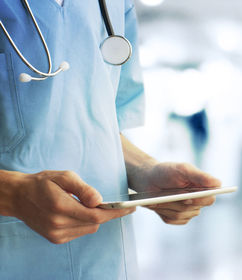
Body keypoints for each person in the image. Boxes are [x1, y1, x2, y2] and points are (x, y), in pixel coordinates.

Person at [0, 0, 221, 279]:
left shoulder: (115, 4)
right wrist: (13, 194)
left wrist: (146, 172)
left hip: (104, 258)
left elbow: (102, 122)